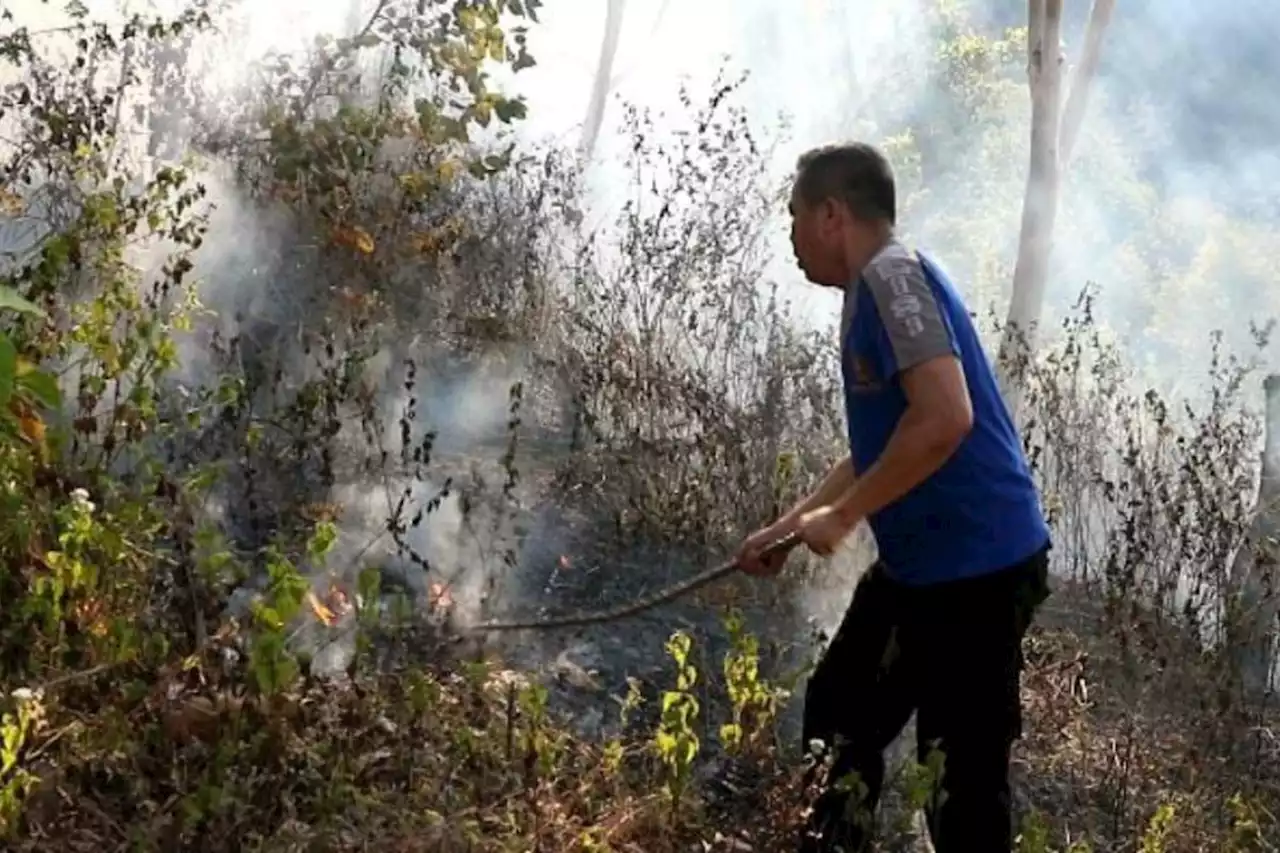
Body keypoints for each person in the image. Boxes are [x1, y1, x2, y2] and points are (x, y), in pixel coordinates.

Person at [736, 141, 1052, 853]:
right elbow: (883, 443)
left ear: (830, 214)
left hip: (979, 572)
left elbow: (945, 418)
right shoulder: (870, 290)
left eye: (793, 217)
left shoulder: (893, 281)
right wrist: (786, 530)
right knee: (840, 712)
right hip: (923, 571)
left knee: (959, 783)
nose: (788, 236)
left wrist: (844, 517)